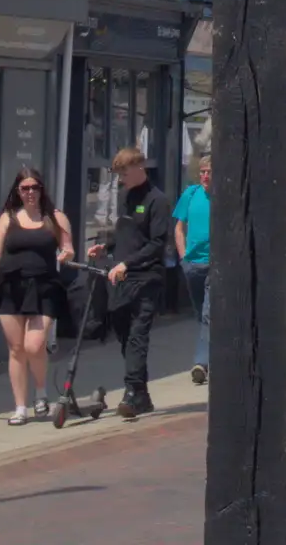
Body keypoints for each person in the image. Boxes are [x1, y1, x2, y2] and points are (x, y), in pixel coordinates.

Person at [0, 166, 73, 425]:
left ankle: (41, 392)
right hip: (11, 288)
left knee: (34, 345)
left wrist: (67, 255)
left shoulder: (55, 217)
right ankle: (20, 407)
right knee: (16, 349)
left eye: (34, 188)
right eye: (25, 188)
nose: (30, 193)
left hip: (44, 287)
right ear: (18, 191)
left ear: (41, 190)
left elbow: (68, 248)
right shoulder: (8, 218)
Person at [88, 145, 170, 418]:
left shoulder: (157, 200)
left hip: (147, 277)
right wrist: (106, 249)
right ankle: (142, 395)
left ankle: (132, 392)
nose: (121, 179)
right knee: (123, 332)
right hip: (121, 277)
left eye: (124, 173)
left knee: (137, 334)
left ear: (139, 168)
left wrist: (127, 262)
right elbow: (124, 235)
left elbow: (156, 243)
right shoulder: (125, 196)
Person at [174, 155, 212, 386]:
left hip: (214, 265)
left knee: (208, 314)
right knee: (202, 315)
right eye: (203, 172)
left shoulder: (223, 196)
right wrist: (183, 257)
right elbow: (179, 228)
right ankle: (215, 351)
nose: (206, 176)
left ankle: (201, 363)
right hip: (192, 265)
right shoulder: (190, 194)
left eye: (210, 172)